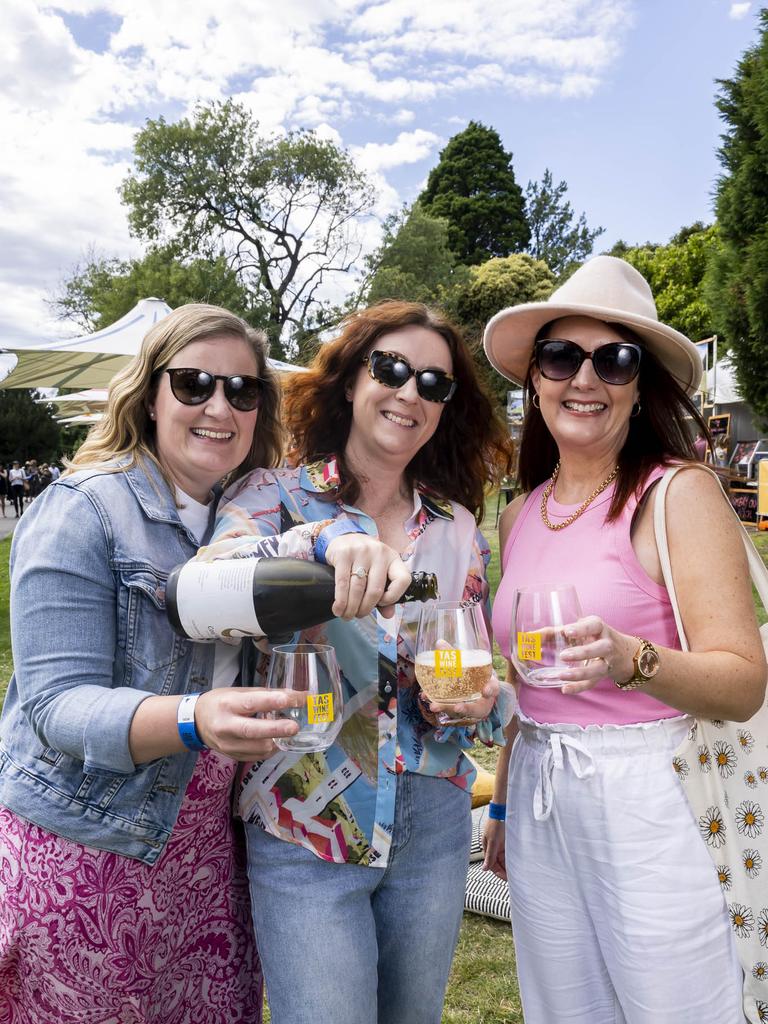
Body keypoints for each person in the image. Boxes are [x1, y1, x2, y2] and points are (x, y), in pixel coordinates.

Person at [199, 300, 514, 1024]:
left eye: (433, 383)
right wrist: (316, 545)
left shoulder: (458, 527)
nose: (410, 393)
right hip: (307, 821)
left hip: (435, 820)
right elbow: (210, 580)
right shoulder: (273, 496)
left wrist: (479, 700)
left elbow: (472, 667)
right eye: (392, 369)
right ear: (350, 380)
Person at [481, 255, 766, 1024]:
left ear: (640, 389)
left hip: (652, 798)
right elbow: (526, 682)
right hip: (541, 789)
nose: (585, 378)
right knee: (564, 1009)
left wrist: (630, 660)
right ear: (535, 380)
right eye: (561, 356)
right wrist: (503, 805)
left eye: (615, 360)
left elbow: (743, 682)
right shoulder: (520, 513)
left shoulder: (678, 493)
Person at [0, 304, 298, 1023]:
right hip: (89, 838)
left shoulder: (258, 516)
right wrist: (197, 720)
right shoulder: (84, 508)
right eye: (194, 384)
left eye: (243, 390)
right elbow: (57, 708)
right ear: (151, 393)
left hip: (209, 848)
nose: (220, 406)